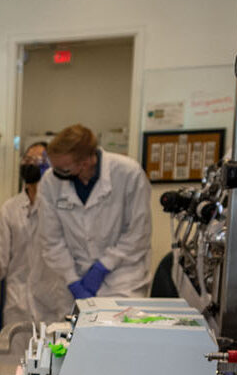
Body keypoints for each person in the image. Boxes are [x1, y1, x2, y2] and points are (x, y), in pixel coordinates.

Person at [34, 123, 153, 302]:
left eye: (64, 169)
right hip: (74, 277)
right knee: (75, 328)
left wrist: (102, 267)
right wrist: (72, 280)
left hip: (122, 277)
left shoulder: (128, 173)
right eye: (55, 167)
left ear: (87, 161)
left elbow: (138, 233)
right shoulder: (51, 182)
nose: (57, 174)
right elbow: (51, 239)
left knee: (117, 326)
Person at [0, 149, 74, 363]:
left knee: (53, 367)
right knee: (15, 368)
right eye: (28, 159)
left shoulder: (63, 206)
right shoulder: (11, 208)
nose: (31, 163)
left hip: (54, 301)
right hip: (18, 303)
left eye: (39, 160)